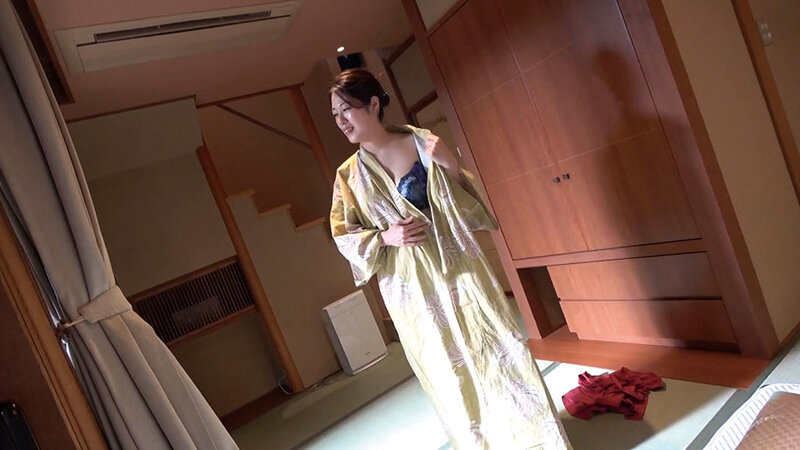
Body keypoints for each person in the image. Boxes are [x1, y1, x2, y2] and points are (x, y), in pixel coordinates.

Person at [328, 68, 570, 449]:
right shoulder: (348, 177)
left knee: (497, 343)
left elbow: (465, 200)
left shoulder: (422, 142)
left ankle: (538, 438)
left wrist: (450, 166)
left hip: (458, 264)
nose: (341, 121)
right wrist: (385, 236)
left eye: (346, 110)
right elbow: (343, 234)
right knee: (445, 368)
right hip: (409, 287)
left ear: (373, 104)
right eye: (335, 115)